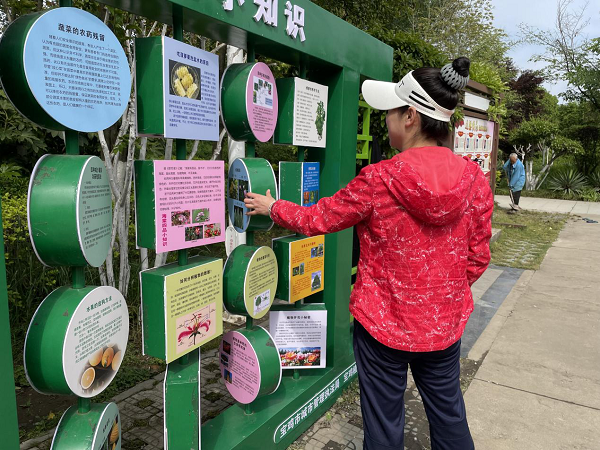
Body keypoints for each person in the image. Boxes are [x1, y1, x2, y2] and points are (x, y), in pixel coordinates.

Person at [244, 57, 493, 450]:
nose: (386, 120)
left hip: (382, 328)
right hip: (444, 327)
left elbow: (320, 218)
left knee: (383, 426)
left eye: (391, 111)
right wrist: (441, 295)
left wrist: (273, 207)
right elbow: (479, 257)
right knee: (449, 417)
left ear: (411, 116)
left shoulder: (379, 180)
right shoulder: (475, 181)